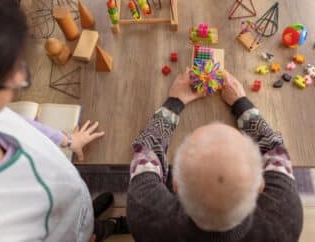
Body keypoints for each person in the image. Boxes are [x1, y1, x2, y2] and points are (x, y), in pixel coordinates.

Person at [0, 0, 122, 242]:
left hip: (72, 207)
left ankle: (98, 223)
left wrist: (68, 140)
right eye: (12, 71)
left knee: (89, 221)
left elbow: (24, 126)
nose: (18, 80)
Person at [127, 71, 303, 242]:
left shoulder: (144, 211)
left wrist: (175, 102)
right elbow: (275, 149)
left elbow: (146, 149)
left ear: (175, 185)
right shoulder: (286, 217)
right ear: (261, 185)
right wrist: (241, 103)